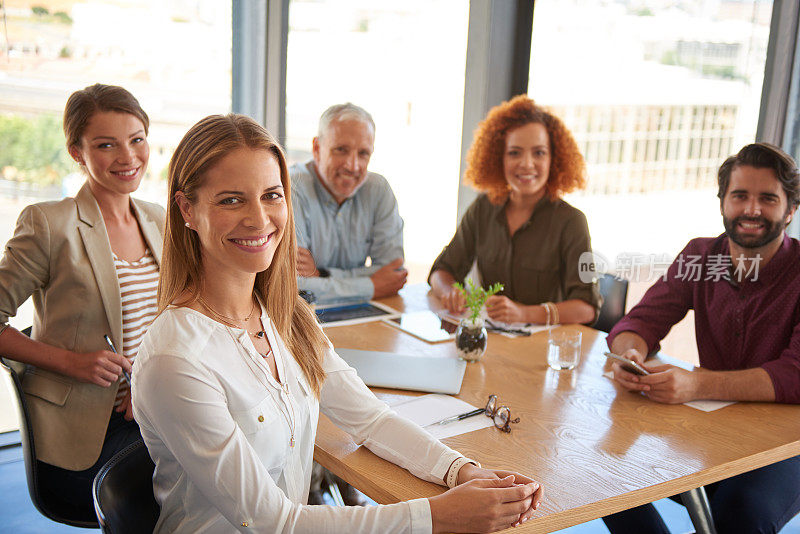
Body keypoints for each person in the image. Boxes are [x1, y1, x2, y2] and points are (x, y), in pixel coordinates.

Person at [132, 113, 544, 533]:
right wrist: (437, 517)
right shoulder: (176, 358)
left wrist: (460, 471)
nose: (259, 219)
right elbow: (277, 523)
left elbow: (370, 419)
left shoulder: (285, 316)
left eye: (272, 195)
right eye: (231, 200)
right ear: (187, 208)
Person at [604, 142, 800, 533]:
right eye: (740, 196)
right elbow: (638, 323)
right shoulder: (700, 257)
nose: (751, 209)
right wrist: (631, 358)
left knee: (742, 512)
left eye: (767, 198)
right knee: (605, 470)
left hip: (790, 443)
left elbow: (796, 375)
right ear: (723, 203)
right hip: (717, 429)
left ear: (791, 210)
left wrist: (696, 384)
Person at [0, 83, 163, 516]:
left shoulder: (160, 220)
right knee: (207, 477)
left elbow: (177, 322)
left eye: (137, 139)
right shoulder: (50, 224)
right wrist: (72, 361)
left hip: (149, 415)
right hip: (86, 441)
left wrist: (149, 388)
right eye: (106, 145)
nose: (128, 157)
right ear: (77, 151)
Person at [429, 95, 600, 325]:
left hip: (545, 349)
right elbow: (441, 271)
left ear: (554, 158)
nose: (527, 164)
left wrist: (525, 313)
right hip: (491, 338)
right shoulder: (483, 208)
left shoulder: (572, 221)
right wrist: (450, 293)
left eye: (539, 153)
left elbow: (587, 308)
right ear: (498, 158)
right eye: (514, 152)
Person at [290, 103, 407, 305]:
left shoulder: (378, 190)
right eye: (341, 150)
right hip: (302, 322)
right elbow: (295, 286)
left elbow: (393, 272)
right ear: (317, 148)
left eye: (363, 154)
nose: (352, 166)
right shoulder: (292, 188)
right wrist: (370, 285)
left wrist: (323, 275)